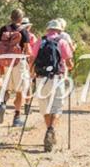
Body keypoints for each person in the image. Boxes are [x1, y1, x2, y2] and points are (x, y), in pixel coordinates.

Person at [30, 19, 74, 152]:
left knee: (45, 107)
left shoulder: (40, 41)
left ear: (48, 30)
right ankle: (51, 130)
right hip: (57, 78)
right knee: (56, 107)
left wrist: (31, 73)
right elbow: (69, 62)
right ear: (59, 31)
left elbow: (32, 58)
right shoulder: (62, 42)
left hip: (41, 78)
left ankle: (49, 130)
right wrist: (70, 67)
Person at [0, 9, 32, 128]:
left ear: (11, 17)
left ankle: (2, 104)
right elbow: (27, 50)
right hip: (18, 62)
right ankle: (17, 118)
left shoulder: (3, 29)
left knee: (6, 88)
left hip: (6, 62)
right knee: (20, 91)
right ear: (21, 19)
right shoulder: (24, 31)